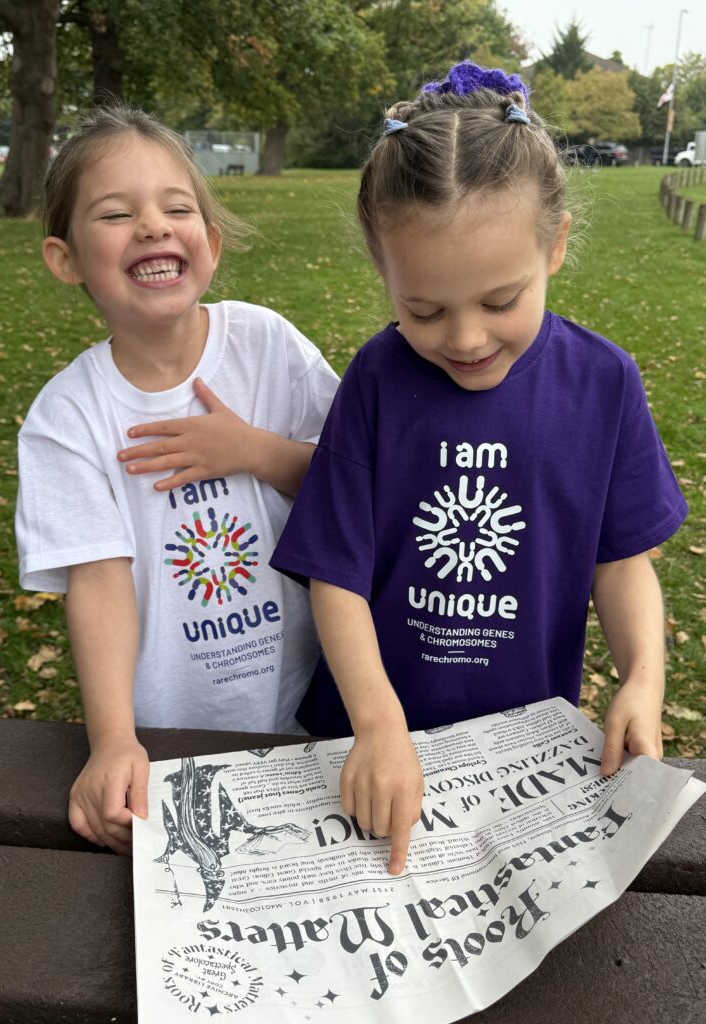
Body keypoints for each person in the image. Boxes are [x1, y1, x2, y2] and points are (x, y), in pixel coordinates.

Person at [270, 62, 687, 876]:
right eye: (424, 309)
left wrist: (643, 678)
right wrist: (378, 725)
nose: (464, 338)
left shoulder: (603, 382)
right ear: (384, 272)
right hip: (363, 744)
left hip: (523, 758)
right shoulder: (378, 380)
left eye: (501, 301)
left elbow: (622, 560)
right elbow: (336, 576)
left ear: (556, 244)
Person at [15, 103, 338, 856]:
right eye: (117, 213)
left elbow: (353, 488)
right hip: (169, 731)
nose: (154, 226)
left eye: (177, 207)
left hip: (316, 711)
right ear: (65, 260)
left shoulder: (267, 346)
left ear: (211, 243)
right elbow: (98, 583)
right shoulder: (68, 417)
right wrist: (114, 740)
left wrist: (254, 450)